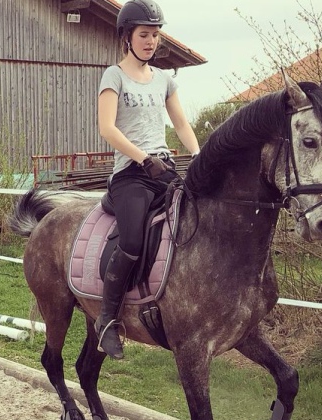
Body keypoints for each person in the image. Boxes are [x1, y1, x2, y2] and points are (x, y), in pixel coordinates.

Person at [95, 0, 201, 360]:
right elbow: (107, 128)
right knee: (132, 241)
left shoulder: (164, 79)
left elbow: (181, 124)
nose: (151, 41)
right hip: (131, 175)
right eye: (144, 34)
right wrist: (143, 158)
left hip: (163, 169)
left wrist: (199, 156)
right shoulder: (114, 76)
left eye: (155, 35)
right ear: (127, 36)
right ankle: (107, 320)